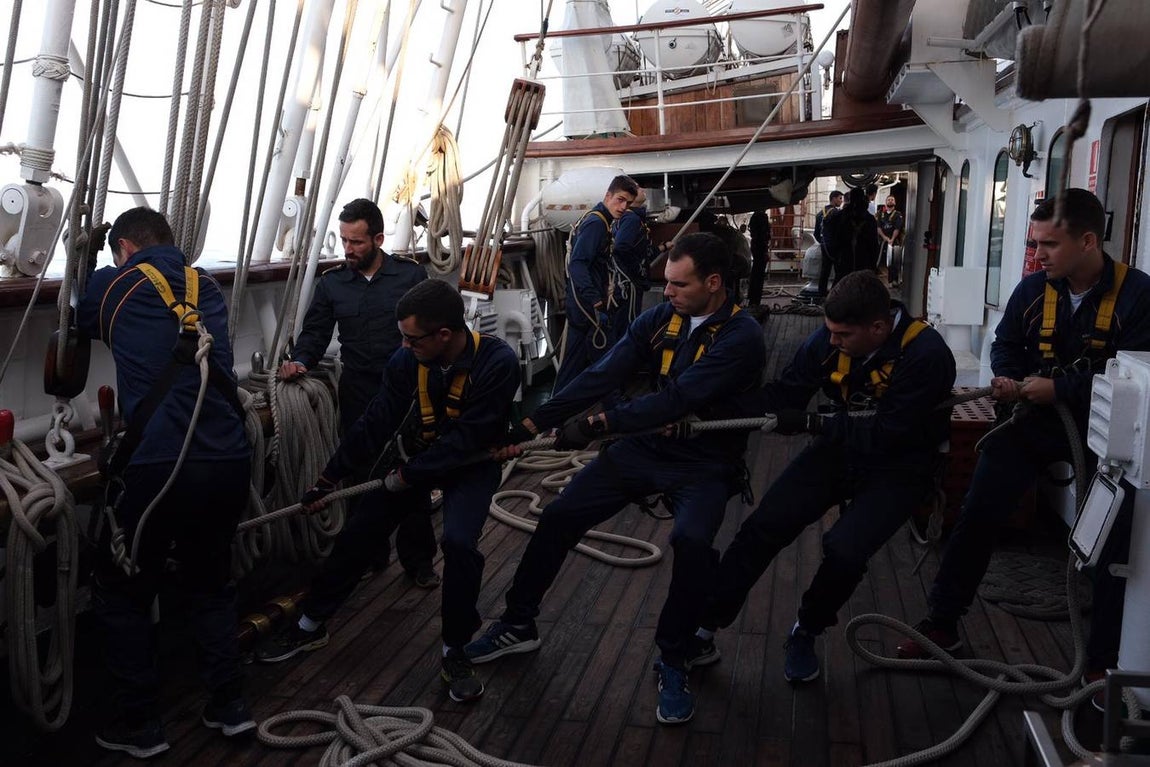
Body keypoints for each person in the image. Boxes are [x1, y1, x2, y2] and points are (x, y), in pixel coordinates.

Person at [464, 232, 766, 726]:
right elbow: (602, 375)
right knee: (559, 516)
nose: (666, 292)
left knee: (691, 542)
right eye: (665, 282)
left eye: (678, 284)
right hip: (646, 448)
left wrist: (599, 425)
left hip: (705, 461)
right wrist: (533, 424)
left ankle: (674, 654)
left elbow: (677, 399)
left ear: (714, 283)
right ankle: (518, 622)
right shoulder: (658, 320)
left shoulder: (741, 338)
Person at [898, 189, 1150, 675]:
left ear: (1089, 241)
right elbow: (1007, 344)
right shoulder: (1032, 291)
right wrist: (1009, 378)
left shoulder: (1139, 298)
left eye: (1049, 245)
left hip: (1104, 438)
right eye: (1034, 243)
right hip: (1030, 422)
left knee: (1113, 544)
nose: (1036, 254)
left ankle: (1101, 667)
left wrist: (1059, 389)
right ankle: (942, 625)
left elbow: (1134, 375)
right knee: (977, 515)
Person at [256, 279, 521, 704]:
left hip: (470, 465)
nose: (402, 344)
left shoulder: (498, 362)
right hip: (415, 455)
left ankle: (455, 649)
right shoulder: (406, 361)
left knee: (459, 545)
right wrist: (328, 478)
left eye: (411, 338)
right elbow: (375, 422)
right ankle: (309, 625)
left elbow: (470, 438)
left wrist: (410, 475)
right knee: (359, 533)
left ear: (444, 336)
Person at [691, 270, 954, 691]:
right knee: (764, 526)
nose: (832, 342)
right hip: (841, 451)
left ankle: (805, 631)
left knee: (846, 549)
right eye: (829, 332)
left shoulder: (926, 355)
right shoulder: (828, 342)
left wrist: (814, 422)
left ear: (879, 328)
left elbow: (888, 433)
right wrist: (707, 412)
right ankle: (703, 629)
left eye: (843, 335)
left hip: (899, 465)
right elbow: (785, 395)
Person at [79, 207, 254, 758]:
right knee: (210, 581)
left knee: (122, 588)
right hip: (228, 457)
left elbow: (83, 318)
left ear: (125, 248)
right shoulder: (209, 285)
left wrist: (86, 257)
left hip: (159, 464)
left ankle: (142, 725)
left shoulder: (116, 284)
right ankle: (229, 707)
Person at [278, 198, 439, 588]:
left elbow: (434, 327)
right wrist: (300, 361)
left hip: (407, 390)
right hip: (359, 389)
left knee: (411, 474)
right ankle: (371, 553)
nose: (348, 250)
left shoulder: (410, 277)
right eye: (345, 241)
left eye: (357, 243)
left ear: (378, 239)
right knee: (362, 474)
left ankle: (419, 563)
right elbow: (316, 333)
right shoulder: (333, 284)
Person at [555, 174, 639, 392]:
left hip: (580, 306)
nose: (623, 207)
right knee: (608, 361)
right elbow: (578, 264)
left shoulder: (600, 220)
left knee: (572, 364)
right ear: (607, 196)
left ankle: (551, 416)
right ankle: (615, 408)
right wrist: (596, 302)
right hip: (588, 308)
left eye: (628, 203)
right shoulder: (597, 224)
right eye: (620, 200)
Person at [609, 190, 653, 343]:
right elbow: (621, 248)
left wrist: (662, 248)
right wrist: (637, 271)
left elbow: (639, 250)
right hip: (628, 286)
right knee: (626, 329)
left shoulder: (631, 219)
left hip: (625, 283)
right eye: (638, 187)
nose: (642, 189)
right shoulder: (631, 219)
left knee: (622, 327)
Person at [822, 187, 879, 278]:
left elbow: (833, 237)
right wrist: (873, 265)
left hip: (845, 260)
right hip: (862, 260)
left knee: (843, 285)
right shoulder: (870, 219)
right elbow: (874, 244)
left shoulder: (839, 216)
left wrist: (835, 256)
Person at [814, 191, 844, 296]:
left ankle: (821, 293)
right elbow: (840, 231)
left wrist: (823, 242)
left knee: (825, 270)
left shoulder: (819, 214)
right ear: (834, 198)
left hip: (824, 246)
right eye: (840, 198)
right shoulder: (836, 213)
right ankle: (834, 293)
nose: (841, 201)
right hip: (835, 246)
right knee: (839, 271)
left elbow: (816, 233)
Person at [877, 194, 904, 286]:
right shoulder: (881, 214)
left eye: (892, 200)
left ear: (895, 202)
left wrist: (892, 239)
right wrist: (884, 237)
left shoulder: (898, 215)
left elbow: (897, 228)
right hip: (883, 240)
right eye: (888, 200)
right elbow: (879, 227)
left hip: (894, 241)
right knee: (881, 261)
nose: (890, 201)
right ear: (886, 202)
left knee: (894, 261)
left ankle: (894, 280)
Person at [747, 208, 771, 307]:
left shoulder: (755, 216)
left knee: (755, 272)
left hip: (756, 247)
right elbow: (764, 235)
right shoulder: (762, 216)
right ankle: (755, 300)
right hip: (760, 248)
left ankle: (752, 298)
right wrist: (765, 250)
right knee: (759, 274)